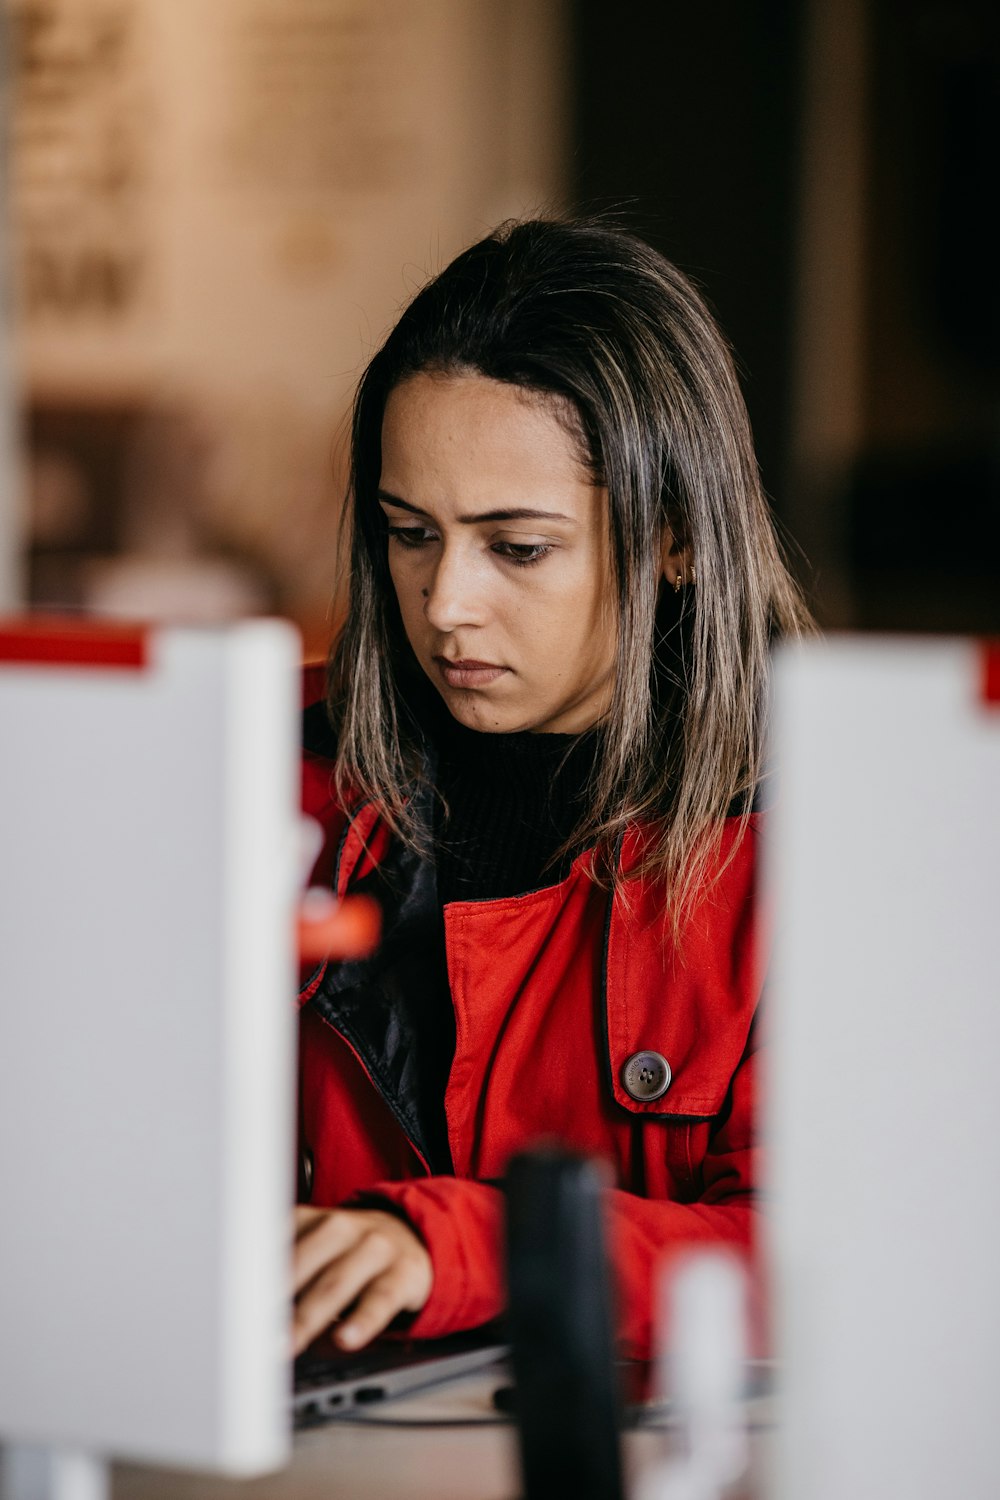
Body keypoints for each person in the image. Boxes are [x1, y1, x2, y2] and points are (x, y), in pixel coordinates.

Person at [291, 218, 813, 1361]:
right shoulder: (272, 780)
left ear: (674, 537)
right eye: (407, 533)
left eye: (515, 548)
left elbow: (824, 1257)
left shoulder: (830, 841)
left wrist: (466, 1247)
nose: (443, 605)